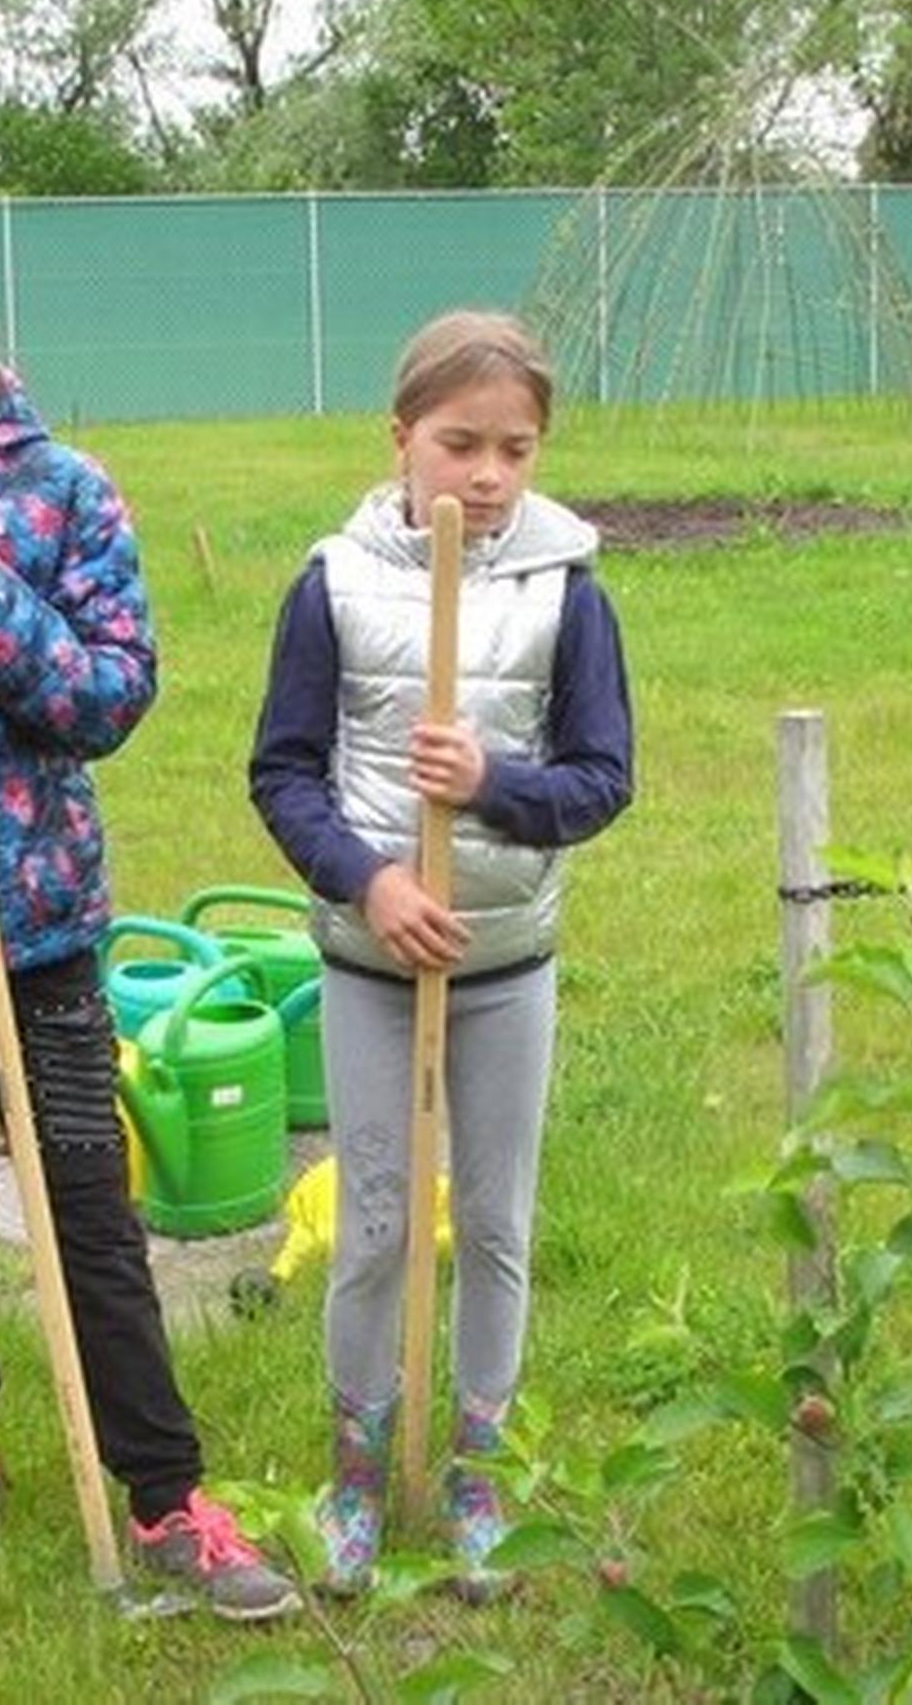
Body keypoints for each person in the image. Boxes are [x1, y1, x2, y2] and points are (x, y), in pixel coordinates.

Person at [0, 251, 299, 1619]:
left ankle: (165, 1491)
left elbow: (109, 697)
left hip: (37, 927)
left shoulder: (62, 493)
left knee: (85, 1204)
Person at [248, 310, 633, 1598]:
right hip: (371, 966)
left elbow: (603, 779)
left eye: (515, 449)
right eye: (460, 444)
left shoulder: (569, 588)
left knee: (498, 1223)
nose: (488, 474)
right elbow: (283, 772)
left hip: (507, 964)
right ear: (401, 439)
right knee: (374, 1224)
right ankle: (357, 1475)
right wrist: (372, 880)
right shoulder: (333, 583)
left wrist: (492, 782)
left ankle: (476, 1472)